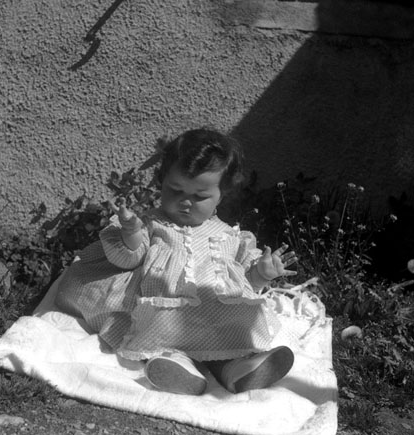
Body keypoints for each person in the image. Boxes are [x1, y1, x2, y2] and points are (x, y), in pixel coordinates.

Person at [55, 128, 298, 395]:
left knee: (232, 334)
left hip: (218, 317)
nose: (185, 202)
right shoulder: (152, 224)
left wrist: (262, 273)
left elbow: (244, 280)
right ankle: (175, 363)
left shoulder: (229, 235)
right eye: (175, 190)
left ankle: (237, 368)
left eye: (199, 196)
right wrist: (131, 234)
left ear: (222, 194)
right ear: (162, 182)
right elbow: (126, 259)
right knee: (164, 334)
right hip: (168, 312)